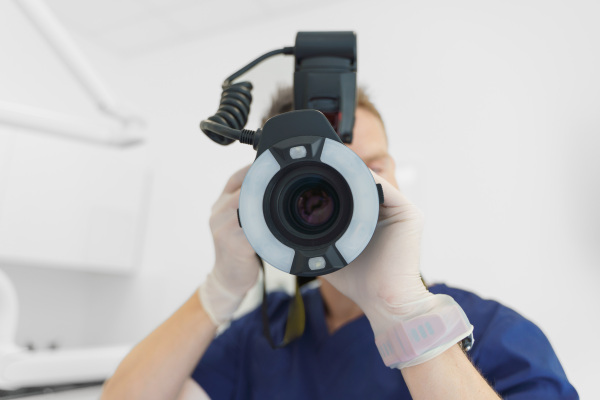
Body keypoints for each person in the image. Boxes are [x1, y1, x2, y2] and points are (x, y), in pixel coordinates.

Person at [100, 88, 578, 400]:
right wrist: (220, 289)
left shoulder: (492, 333)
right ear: (270, 200)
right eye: (320, 182)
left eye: (371, 167)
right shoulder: (263, 338)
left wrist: (406, 312)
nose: (350, 192)